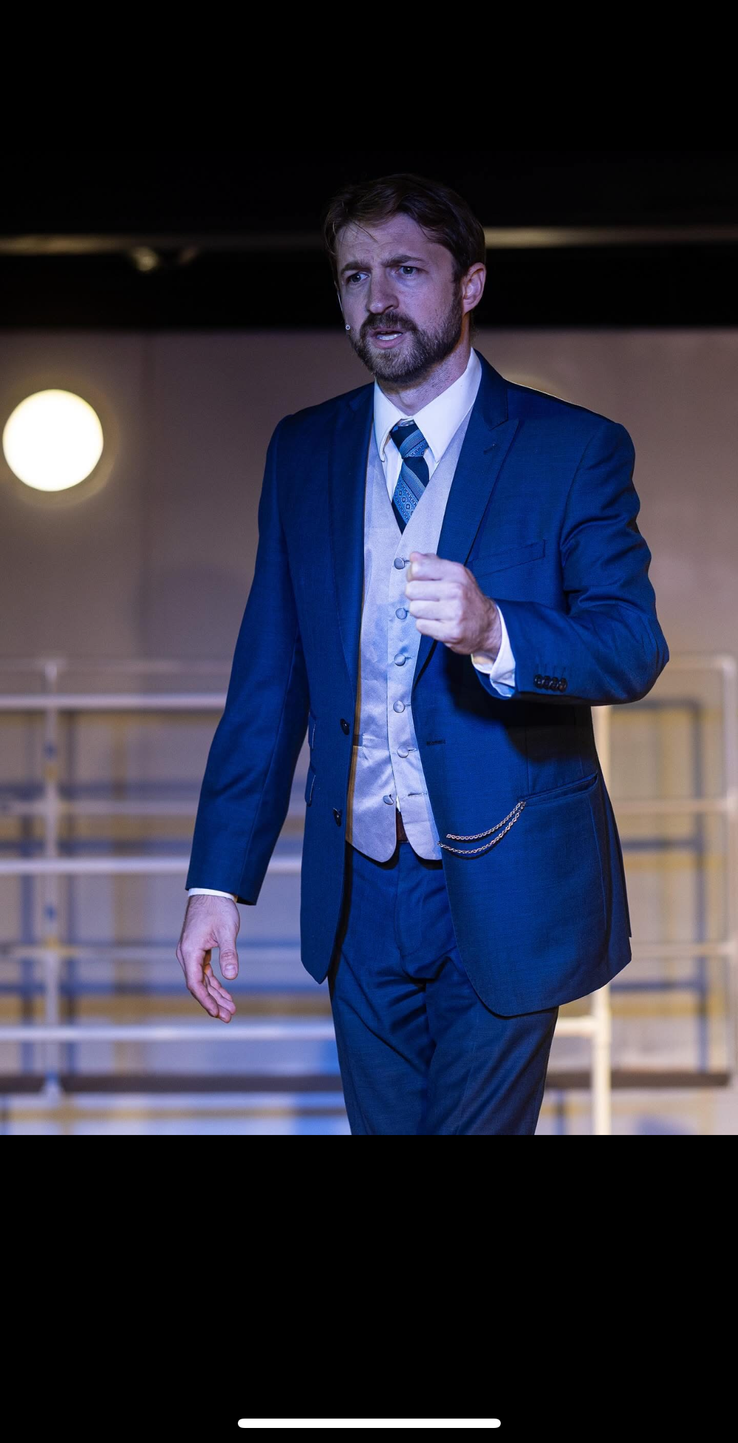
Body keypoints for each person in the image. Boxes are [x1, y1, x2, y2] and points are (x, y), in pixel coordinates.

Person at [178, 171, 669, 1135]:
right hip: (359, 890)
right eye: (355, 276)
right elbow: (267, 687)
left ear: (469, 283)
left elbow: (631, 644)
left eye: (406, 270)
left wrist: (496, 632)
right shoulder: (303, 451)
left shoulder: (572, 448)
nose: (378, 298)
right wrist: (217, 883)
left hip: (510, 879)